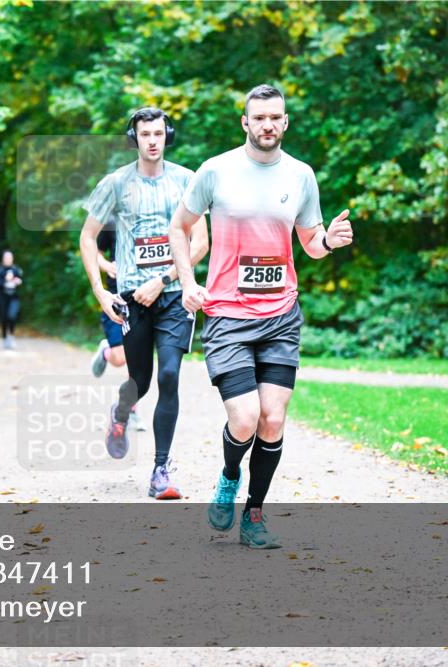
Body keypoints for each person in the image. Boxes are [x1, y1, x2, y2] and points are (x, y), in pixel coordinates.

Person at [168, 84, 354, 547]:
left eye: (276, 117)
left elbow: (310, 244)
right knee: (246, 418)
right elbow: (179, 227)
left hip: (281, 316)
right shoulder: (216, 171)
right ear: (245, 123)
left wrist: (328, 240)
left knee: (273, 418)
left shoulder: (301, 175)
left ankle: (254, 513)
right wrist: (189, 283)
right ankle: (230, 475)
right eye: (259, 118)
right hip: (228, 315)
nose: (268, 125)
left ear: (285, 122)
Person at [79, 107, 208, 500]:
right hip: (131, 298)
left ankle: (160, 471)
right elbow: (87, 238)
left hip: (173, 295)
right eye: (145, 134)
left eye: (158, 133)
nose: (153, 140)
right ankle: (120, 413)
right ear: (134, 138)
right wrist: (101, 291)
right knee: (140, 381)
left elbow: (200, 242)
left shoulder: (188, 181)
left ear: (167, 135)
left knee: (169, 376)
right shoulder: (115, 183)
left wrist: (165, 278)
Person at [91, 228, 145, 432]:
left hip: (143, 296)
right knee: (119, 358)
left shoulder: (154, 215)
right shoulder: (113, 220)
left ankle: (131, 411)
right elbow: (92, 248)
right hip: (116, 297)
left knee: (136, 360)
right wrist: (106, 266)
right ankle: (106, 351)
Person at [0, 250, 23, 349]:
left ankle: (12, 336)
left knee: (12, 316)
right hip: (3, 298)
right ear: (3, 259)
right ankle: (5, 338)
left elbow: (22, 281)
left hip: (14, 297)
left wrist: (18, 281)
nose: (8, 260)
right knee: (4, 318)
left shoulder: (16, 269)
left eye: (9, 258)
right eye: (6, 258)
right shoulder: (0, 270)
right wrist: (5, 281)